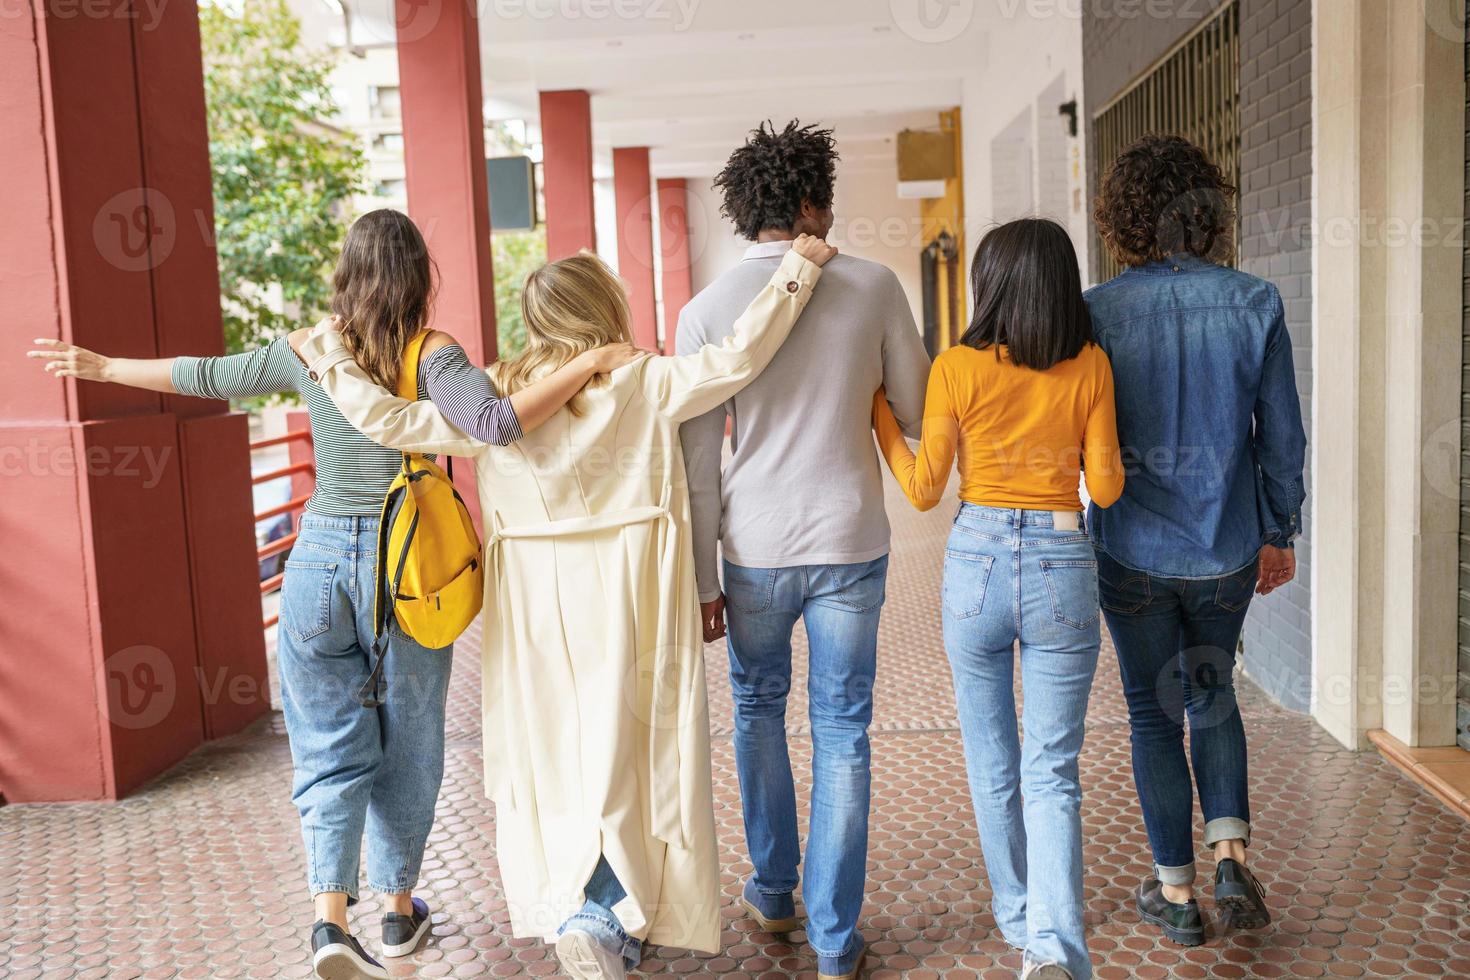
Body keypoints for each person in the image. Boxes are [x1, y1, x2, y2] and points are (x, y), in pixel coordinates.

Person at [27, 209, 639, 980]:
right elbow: (494, 423)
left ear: (345, 276)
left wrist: (107, 366)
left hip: (316, 566)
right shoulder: (434, 353)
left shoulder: (311, 350)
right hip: (406, 572)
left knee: (326, 747)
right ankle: (397, 912)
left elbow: (207, 376)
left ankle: (328, 924)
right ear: (421, 276)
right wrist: (591, 364)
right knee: (410, 743)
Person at [291, 234, 839, 980]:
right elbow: (739, 357)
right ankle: (606, 915)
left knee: (552, 755)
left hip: (534, 608)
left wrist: (330, 362)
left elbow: (396, 422)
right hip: (630, 591)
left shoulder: (496, 394)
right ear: (605, 308)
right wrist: (796, 273)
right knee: (634, 755)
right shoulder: (642, 379)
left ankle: (588, 909)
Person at [676, 120, 931, 980]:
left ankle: (775, 892)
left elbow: (698, 464)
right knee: (843, 731)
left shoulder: (705, 311)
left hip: (752, 551)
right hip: (850, 538)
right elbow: (918, 405)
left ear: (745, 211)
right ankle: (833, 939)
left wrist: (705, 579)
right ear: (815, 200)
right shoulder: (874, 286)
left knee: (756, 710)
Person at [873, 218, 1123, 980]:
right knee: (1053, 768)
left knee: (992, 760)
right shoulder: (1091, 365)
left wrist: (880, 412)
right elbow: (1108, 486)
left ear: (989, 284)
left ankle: (1018, 918)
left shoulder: (955, 367)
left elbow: (922, 492)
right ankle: (1052, 949)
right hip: (1060, 562)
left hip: (975, 563)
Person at [1086, 134, 1307, 945]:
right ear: (1208, 210)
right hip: (1227, 550)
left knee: (1151, 714)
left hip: (1131, 550)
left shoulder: (1096, 310)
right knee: (1213, 694)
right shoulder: (1257, 302)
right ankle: (1230, 853)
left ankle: (1177, 899)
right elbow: (1281, 439)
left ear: (1126, 218)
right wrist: (1280, 528)